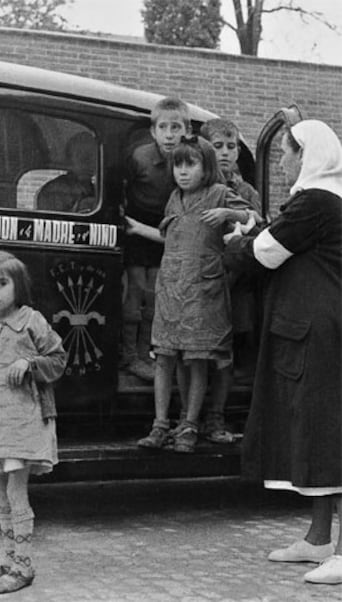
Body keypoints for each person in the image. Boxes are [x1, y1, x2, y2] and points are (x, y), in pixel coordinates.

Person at [224, 120, 342, 585]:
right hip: (313, 330)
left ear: (306, 155)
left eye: (287, 154)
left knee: (330, 435)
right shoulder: (322, 200)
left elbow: (264, 255)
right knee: (316, 432)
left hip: (321, 333)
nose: (282, 162)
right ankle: (318, 539)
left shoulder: (315, 201)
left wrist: (239, 242)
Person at [137, 135, 253, 453]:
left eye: (191, 165)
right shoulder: (174, 198)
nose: (183, 172)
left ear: (206, 167)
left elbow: (252, 217)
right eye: (178, 165)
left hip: (203, 290)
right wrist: (135, 227)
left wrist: (228, 215)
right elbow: (176, 236)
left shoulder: (219, 193)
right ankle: (160, 424)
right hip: (172, 287)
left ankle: (189, 424)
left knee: (198, 359)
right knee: (165, 357)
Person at [0, 250, 66, 594]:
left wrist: (31, 364)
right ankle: (8, 560)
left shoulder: (31, 320)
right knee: (1, 497)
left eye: (1, 284)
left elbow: (58, 358)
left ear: (17, 286)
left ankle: (24, 566)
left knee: (16, 493)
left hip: (21, 423)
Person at [196, 118, 262, 443]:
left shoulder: (246, 191)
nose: (225, 153)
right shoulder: (195, 184)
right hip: (199, 279)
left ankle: (217, 416)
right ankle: (188, 418)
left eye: (231, 146)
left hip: (232, 278)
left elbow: (256, 227)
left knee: (225, 353)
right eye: (217, 146)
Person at [122, 97, 190, 382]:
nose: (170, 134)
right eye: (164, 127)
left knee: (155, 296)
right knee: (134, 292)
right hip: (136, 231)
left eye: (176, 127)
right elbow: (121, 188)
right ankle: (128, 356)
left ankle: (144, 354)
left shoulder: (188, 160)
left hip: (167, 232)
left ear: (186, 130)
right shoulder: (140, 157)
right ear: (153, 131)